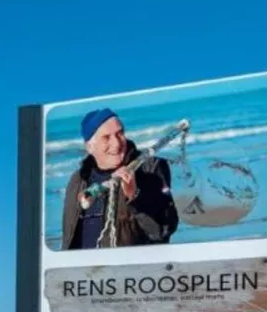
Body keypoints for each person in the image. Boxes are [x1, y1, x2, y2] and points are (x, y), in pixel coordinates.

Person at [61, 107, 179, 250]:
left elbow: (163, 231)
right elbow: (68, 238)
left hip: (131, 270)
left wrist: (135, 196)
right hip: (84, 270)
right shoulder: (78, 179)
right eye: (106, 137)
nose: (116, 143)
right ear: (90, 147)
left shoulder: (151, 167)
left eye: (120, 133)